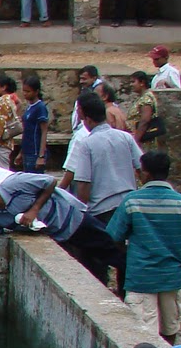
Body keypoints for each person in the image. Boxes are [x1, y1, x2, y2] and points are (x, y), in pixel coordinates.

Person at [0, 173, 122, 286]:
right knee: (88, 268)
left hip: (75, 222)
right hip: (60, 237)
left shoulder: (16, 184)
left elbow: (50, 181)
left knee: (112, 251)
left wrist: (34, 209)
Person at [60, 92, 142, 291]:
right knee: (124, 251)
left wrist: (82, 209)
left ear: (87, 119)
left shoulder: (87, 144)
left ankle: (101, 289)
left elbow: (84, 183)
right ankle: (125, 290)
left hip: (102, 208)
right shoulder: (125, 138)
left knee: (96, 254)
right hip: (126, 203)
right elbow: (141, 167)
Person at [0, 76, 22, 170]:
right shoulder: (4, 100)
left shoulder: (4, 101)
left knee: (0, 172)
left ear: (3, 87)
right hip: (3, 143)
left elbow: (0, 124)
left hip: (1, 143)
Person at [19, 74, 51, 172]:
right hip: (27, 151)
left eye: (28, 91)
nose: (25, 94)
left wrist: (41, 156)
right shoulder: (29, 106)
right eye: (24, 91)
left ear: (36, 91)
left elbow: (44, 131)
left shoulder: (40, 107)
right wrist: (21, 152)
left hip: (35, 152)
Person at [127, 71, 165, 149]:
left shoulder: (146, 99)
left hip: (143, 140)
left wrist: (136, 139)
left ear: (142, 83)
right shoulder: (143, 97)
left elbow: (145, 120)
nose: (131, 85)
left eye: (133, 82)